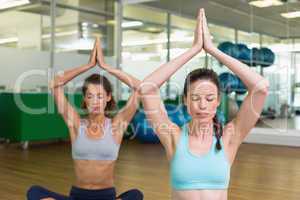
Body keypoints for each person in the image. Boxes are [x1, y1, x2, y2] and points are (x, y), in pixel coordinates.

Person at [138, 8, 269, 200]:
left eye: (209, 98)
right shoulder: (173, 136)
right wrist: (193, 50)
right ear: (185, 100)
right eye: (195, 98)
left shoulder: (229, 137)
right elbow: (146, 89)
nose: (202, 105)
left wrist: (213, 50)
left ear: (217, 101)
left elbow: (261, 88)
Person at [27, 38, 143, 200]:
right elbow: (54, 84)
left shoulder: (116, 126)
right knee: (34, 192)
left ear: (108, 97)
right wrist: (88, 65)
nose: (95, 101)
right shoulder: (75, 124)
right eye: (90, 96)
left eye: (100, 96)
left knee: (135, 195)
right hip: (78, 196)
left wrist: (106, 66)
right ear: (85, 99)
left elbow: (141, 87)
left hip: (106, 196)